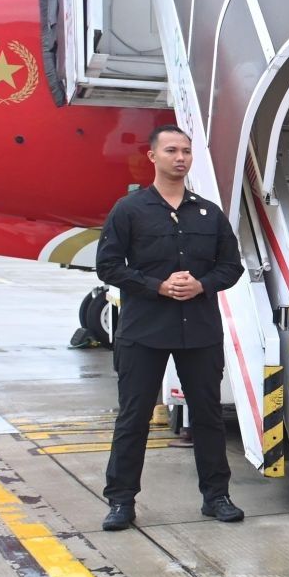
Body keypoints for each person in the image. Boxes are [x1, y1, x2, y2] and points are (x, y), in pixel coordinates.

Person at [96, 124, 244, 531]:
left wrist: (201, 284)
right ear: (153, 157)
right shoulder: (129, 210)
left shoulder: (208, 213)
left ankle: (217, 496)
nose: (180, 158)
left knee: (208, 416)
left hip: (198, 329)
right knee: (134, 416)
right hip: (144, 329)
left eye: (186, 151)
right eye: (172, 150)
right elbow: (107, 265)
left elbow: (231, 266)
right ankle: (121, 501)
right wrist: (157, 286)